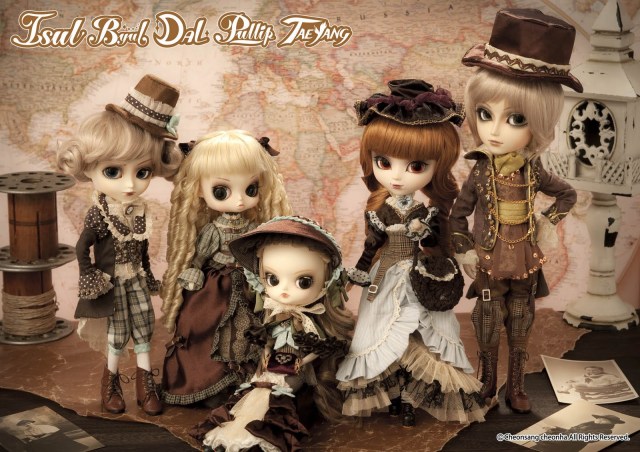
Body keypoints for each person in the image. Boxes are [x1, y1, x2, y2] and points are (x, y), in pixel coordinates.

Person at [450, 8, 582, 414]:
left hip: (524, 262)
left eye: (516, 119)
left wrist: (546, 223)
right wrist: (464, 249)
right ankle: (488, 382)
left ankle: (518, 386)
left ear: (537, 124)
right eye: (484, 114)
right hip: (490, 262)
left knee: (521, 324)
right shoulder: (480, 169)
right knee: (488, 322)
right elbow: (457, 215)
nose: (494, 130)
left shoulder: (534, 170)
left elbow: (567, 196)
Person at [335, 79, 486, 427]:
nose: (398, 176)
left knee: (427, 330)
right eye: (384, 162)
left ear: (437, 167)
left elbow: (436, 243)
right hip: (385, 277)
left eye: (416, 166)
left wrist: (429, 237)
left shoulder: (427, 211)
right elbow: (370, 248)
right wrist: (356, 276)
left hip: (417, 276)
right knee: (378, 329)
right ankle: (391, 392)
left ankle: (410, 395)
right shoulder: (378, 212)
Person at [56, 74, 183, 416]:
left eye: (142, 172)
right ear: (90, 168)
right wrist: (90, 275)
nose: (130, 184)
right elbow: (82, 247)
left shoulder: (139, 211)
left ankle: (145, 385)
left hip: (136, 280)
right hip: (112, 284)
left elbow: (142, 247)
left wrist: (148, 273)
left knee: (145, 329)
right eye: (113, 171)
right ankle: (110, 382)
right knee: (117, 334)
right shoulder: (99, 214)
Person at [190, 216, 355, 451]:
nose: (284, 290)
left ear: (327, 282)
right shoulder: (274, 316)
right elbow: (267, 340)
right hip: (272, 367)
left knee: (275, 395)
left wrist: (301, 362)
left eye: (304, 281)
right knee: (253, 391)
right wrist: (266, 354)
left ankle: (261, 436)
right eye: (273, 279)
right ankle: (231, 434)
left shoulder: (308, 323)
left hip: (295, 371)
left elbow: (319, 349)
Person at [160, 131, 292, 406]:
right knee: (203, 325)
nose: (240, 201)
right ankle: (209, 383)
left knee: (252, 332)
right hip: (215, 287)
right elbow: (200, 255)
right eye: (222, 191)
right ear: (200, 189)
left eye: (250, 189)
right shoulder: (213, 230)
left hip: (249, 282)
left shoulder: (254, 228)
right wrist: (194, 269)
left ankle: (247, 381)